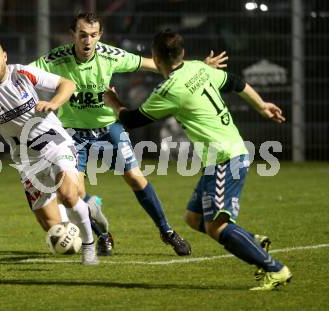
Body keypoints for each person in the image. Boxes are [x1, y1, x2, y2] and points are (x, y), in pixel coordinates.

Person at [103, 30, 291, 291]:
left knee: (217, 227)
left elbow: (132, 120)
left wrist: (113, 100)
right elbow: (237, 82)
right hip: (224, 155)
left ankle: (274, 268)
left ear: (155, 59)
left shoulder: (169, 91)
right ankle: (249, 242)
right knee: (194, 218)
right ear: (182, 53)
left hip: (226, 157)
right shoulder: (199, 69)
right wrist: (261, 106)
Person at [29, 13, 229, 256]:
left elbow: (156, 63)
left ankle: (167, 232)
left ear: (100, 35)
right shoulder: (55, 58)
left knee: (135, 177)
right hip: (72, 134)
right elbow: (22, 74)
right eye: (82, 35)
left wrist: (197, 66)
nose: (88, 41)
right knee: (73, 194)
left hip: (108, 128)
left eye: (93, 35)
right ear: (73, 35)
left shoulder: (109, 55)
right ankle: (103, 234)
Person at [0, 38, 98, 265]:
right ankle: (88, 210)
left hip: (53, 140)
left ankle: (89, 246)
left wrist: (54, 103)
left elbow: (67, 84)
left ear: (5, 57)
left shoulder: (22, 73)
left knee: (68, 195)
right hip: (26, 159)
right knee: (54, 227)